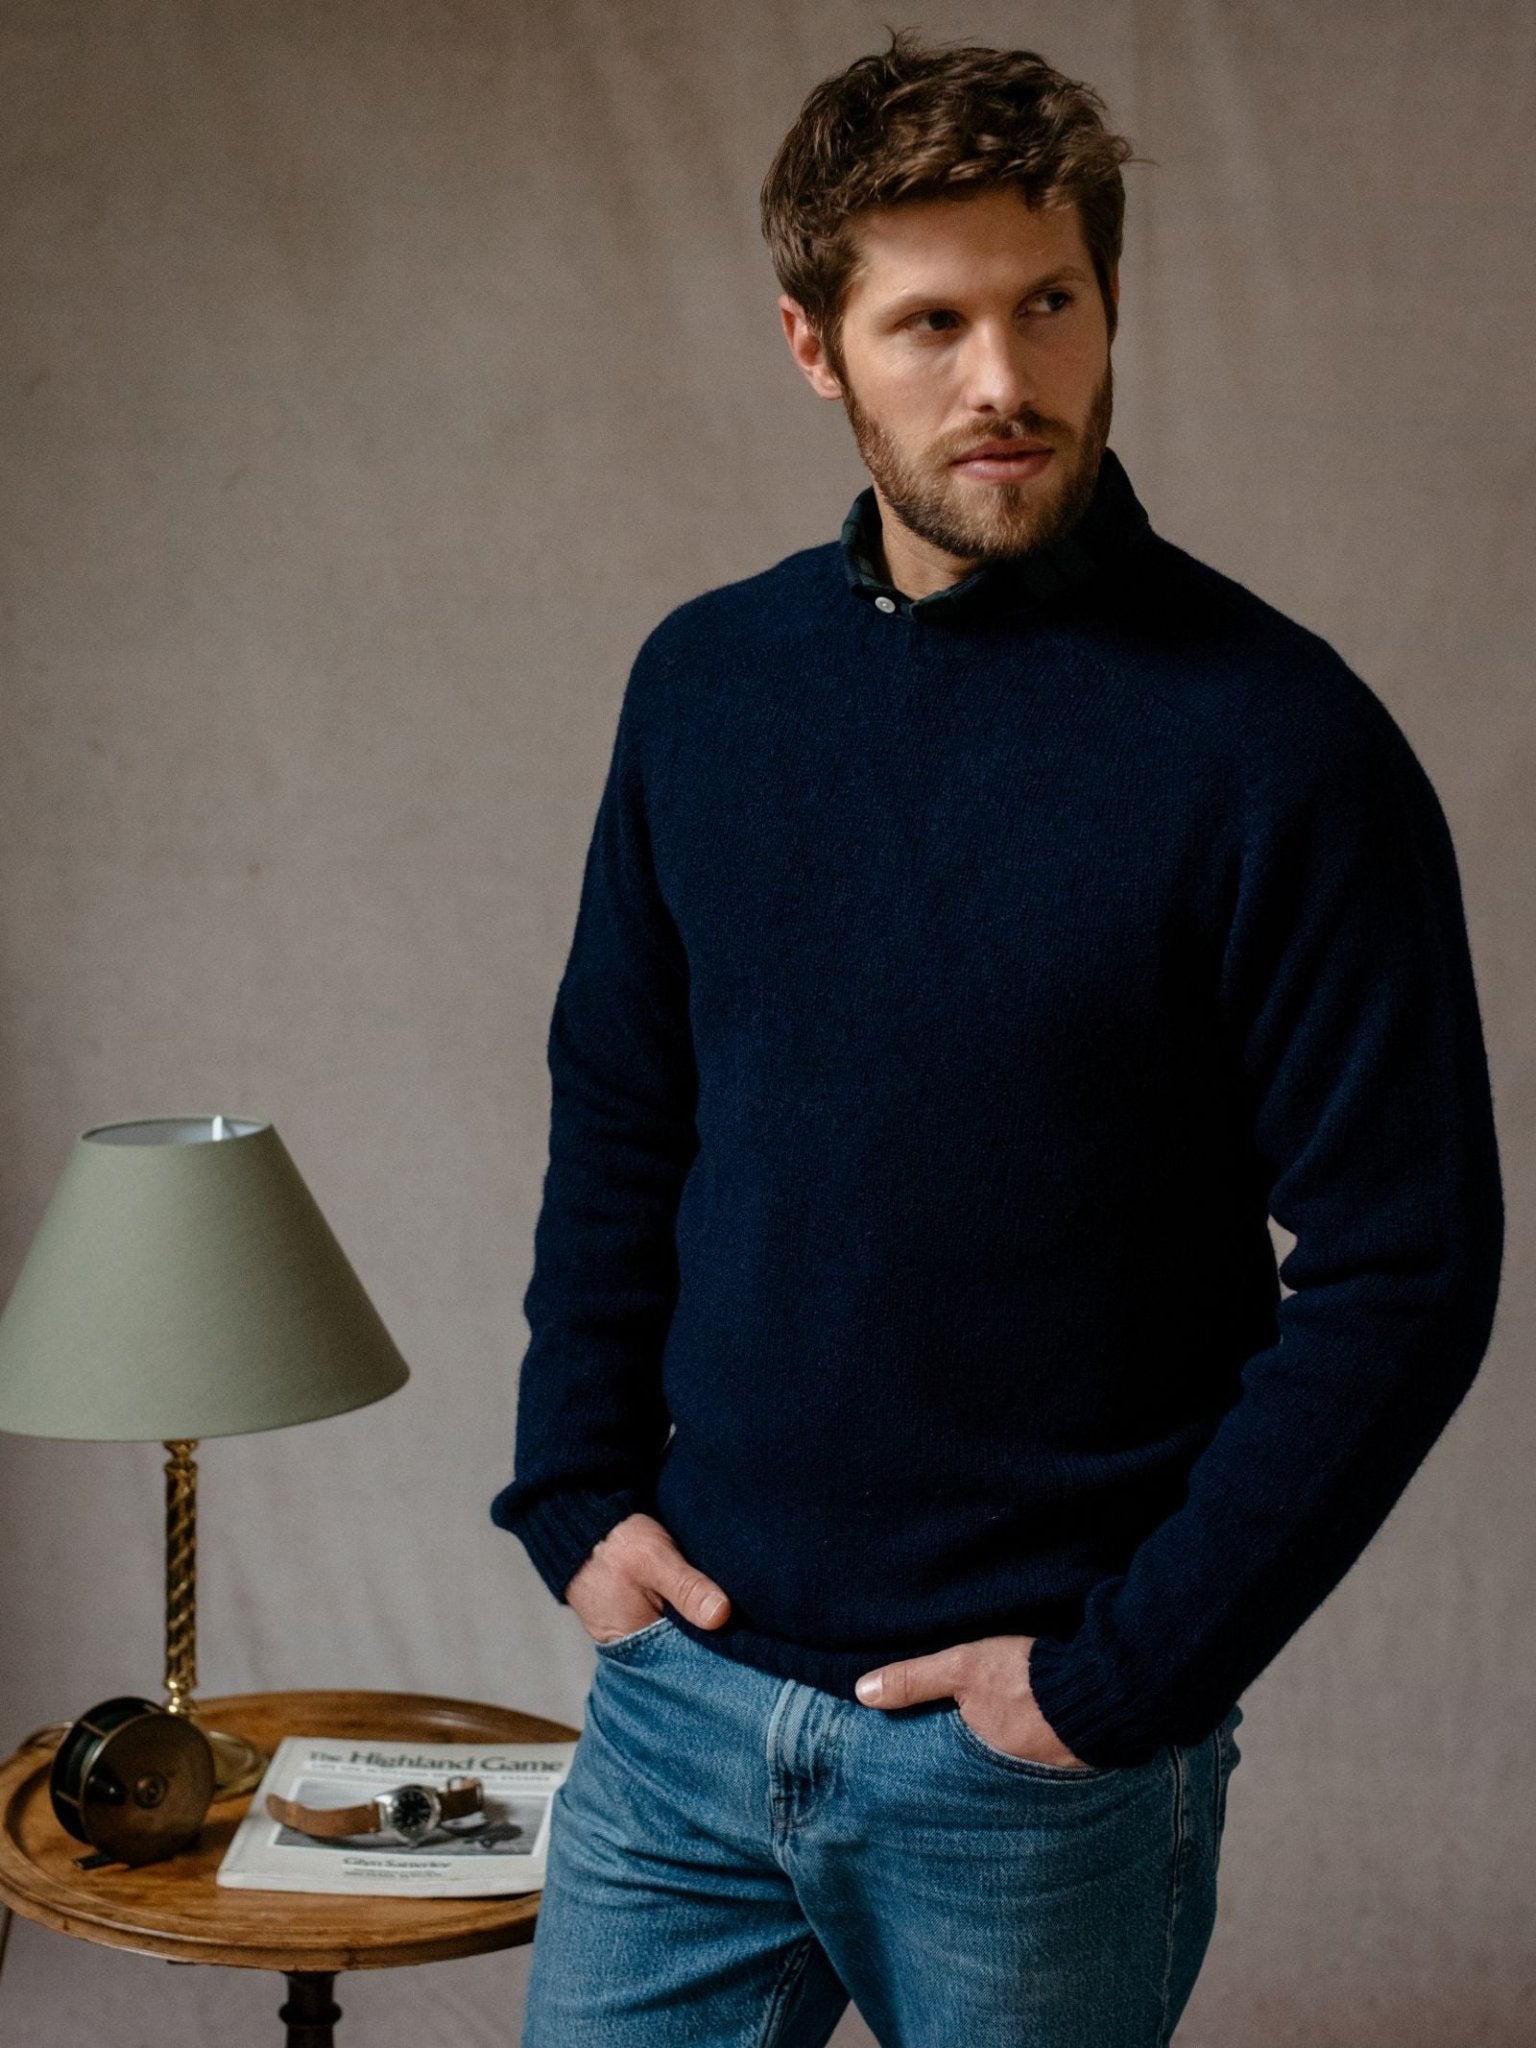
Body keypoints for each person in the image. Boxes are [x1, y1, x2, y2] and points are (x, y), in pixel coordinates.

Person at [494, 29, 1504, 2047]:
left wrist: (1119, 1678)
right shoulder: (706, 684)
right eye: (931, 320)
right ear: (812, 343)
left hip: (1019, 1768)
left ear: (1108, 302)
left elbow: (1410, 1266)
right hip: (685, 1707)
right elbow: (626, 1100)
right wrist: (573, 1485)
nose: (1004, 383)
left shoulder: (1277, 747)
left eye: (1049, 305)